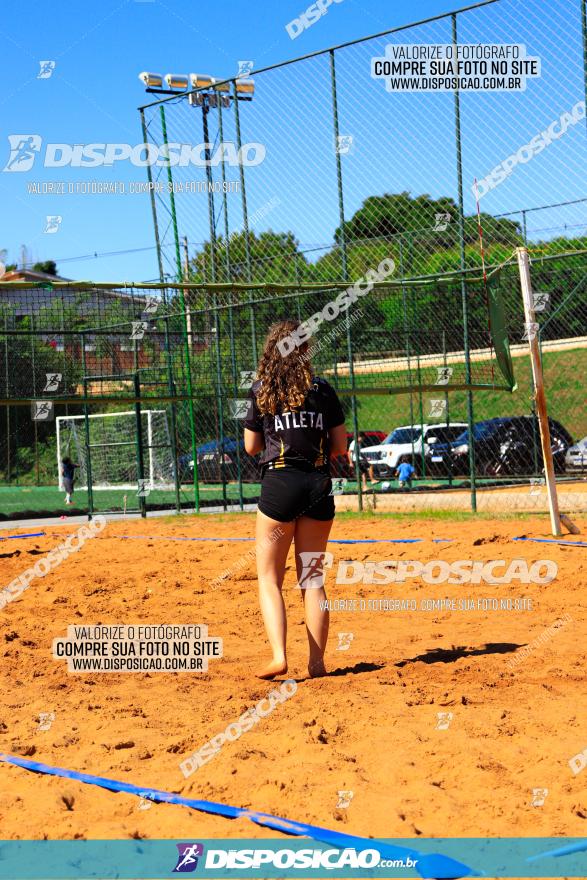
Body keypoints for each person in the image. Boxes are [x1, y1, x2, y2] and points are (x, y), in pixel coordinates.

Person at [244, 320, 347, 681]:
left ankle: (278, 657)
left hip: (280, 484)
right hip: (317, 485)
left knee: (269, 578)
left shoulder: (262, 390)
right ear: (305, 351)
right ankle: (317, 663)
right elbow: (341, 447)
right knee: (312, 578)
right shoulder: (323, 390)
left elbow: (251, 447)